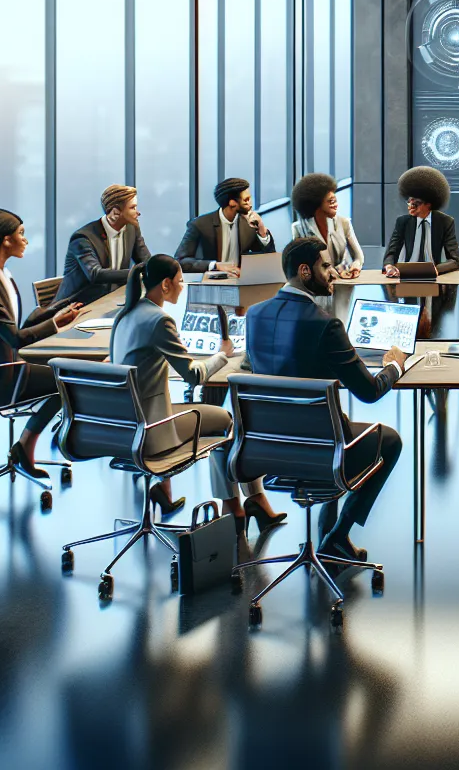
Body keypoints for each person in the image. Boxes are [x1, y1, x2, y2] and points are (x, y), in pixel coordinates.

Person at [243, 237, 408, 559]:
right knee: (389, 441)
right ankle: (338, 535)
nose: (333, 272)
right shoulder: (325, 325)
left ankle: (330, 534)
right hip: (321, 451)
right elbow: (370, 391)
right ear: (305, 271)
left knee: (331, 427)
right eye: (326, 266)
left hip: (269, 450)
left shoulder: (255, 314)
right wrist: (395, 366)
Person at [107, 253, 276, 524]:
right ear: (165, 285)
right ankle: (236, 506)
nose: (182, 286)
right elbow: (194, 376)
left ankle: (169, 489)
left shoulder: (125, 315)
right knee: (226, 421)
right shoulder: (160, 321)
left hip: (126, 427)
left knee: (198, 411)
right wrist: (222, 354)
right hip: (153, 430)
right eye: (180, 281)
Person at [0, 209, 83, 478]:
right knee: (67, 380)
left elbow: (14, 327)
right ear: (5, 240)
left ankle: (25, 446)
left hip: (6, 362)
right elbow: (15, 338)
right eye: (21, 234)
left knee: (65, 373)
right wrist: (55, 324)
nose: (25, 240)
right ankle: (26, 446)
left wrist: (53, 313)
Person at [50, 184, 152, 309]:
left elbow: (146, 261)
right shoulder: (83, 238)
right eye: (132, 208)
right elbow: (96, 274)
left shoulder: (131, 229)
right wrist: (136, 273)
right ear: (115, 212)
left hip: (112, 302)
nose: (138, 212)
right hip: (77, 308)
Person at [176, 177, 274, 274]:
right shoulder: (200, 224)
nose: (250, 204)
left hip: (240, 280)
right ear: (232, 203)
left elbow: (269, 260)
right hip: (210, 281)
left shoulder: (249, 224)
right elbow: (180, 261)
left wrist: (262, 229)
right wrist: (215, 265)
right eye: (246, 200)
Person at [381, 165, 459, 276]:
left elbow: (455, 261)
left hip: (435, 277)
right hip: (406, 276)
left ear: (429, 204)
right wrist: (389, 267)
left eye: (416, 204)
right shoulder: (402, 222)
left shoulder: (445, 222)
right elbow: (391, 253)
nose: (410, 206)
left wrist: (435, 270)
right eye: (409, 202)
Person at [289, 173, 364, 277]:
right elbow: (297, 263)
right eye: (331, 201)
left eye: (335, 201)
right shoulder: (299, 229)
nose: (336, 205)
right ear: (316, 204)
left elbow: (358, 257)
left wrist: (355, 266)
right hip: (316, 283)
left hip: (343, 279)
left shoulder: (344, 223)